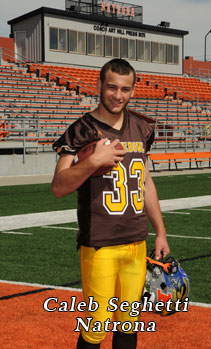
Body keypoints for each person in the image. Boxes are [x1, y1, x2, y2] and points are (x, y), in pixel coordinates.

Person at [51, 58, 170, 349]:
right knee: (96, 328)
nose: (118, 95)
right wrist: (93, 162)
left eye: (125, 89)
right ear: (99, 85)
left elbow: (145, 182)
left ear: (133, 90)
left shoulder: (142, 128)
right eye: (112, 87)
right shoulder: (81, 130)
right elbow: (58, 187)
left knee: (128, 326)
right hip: (100, 244)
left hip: (136, 241)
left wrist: (161, 231)